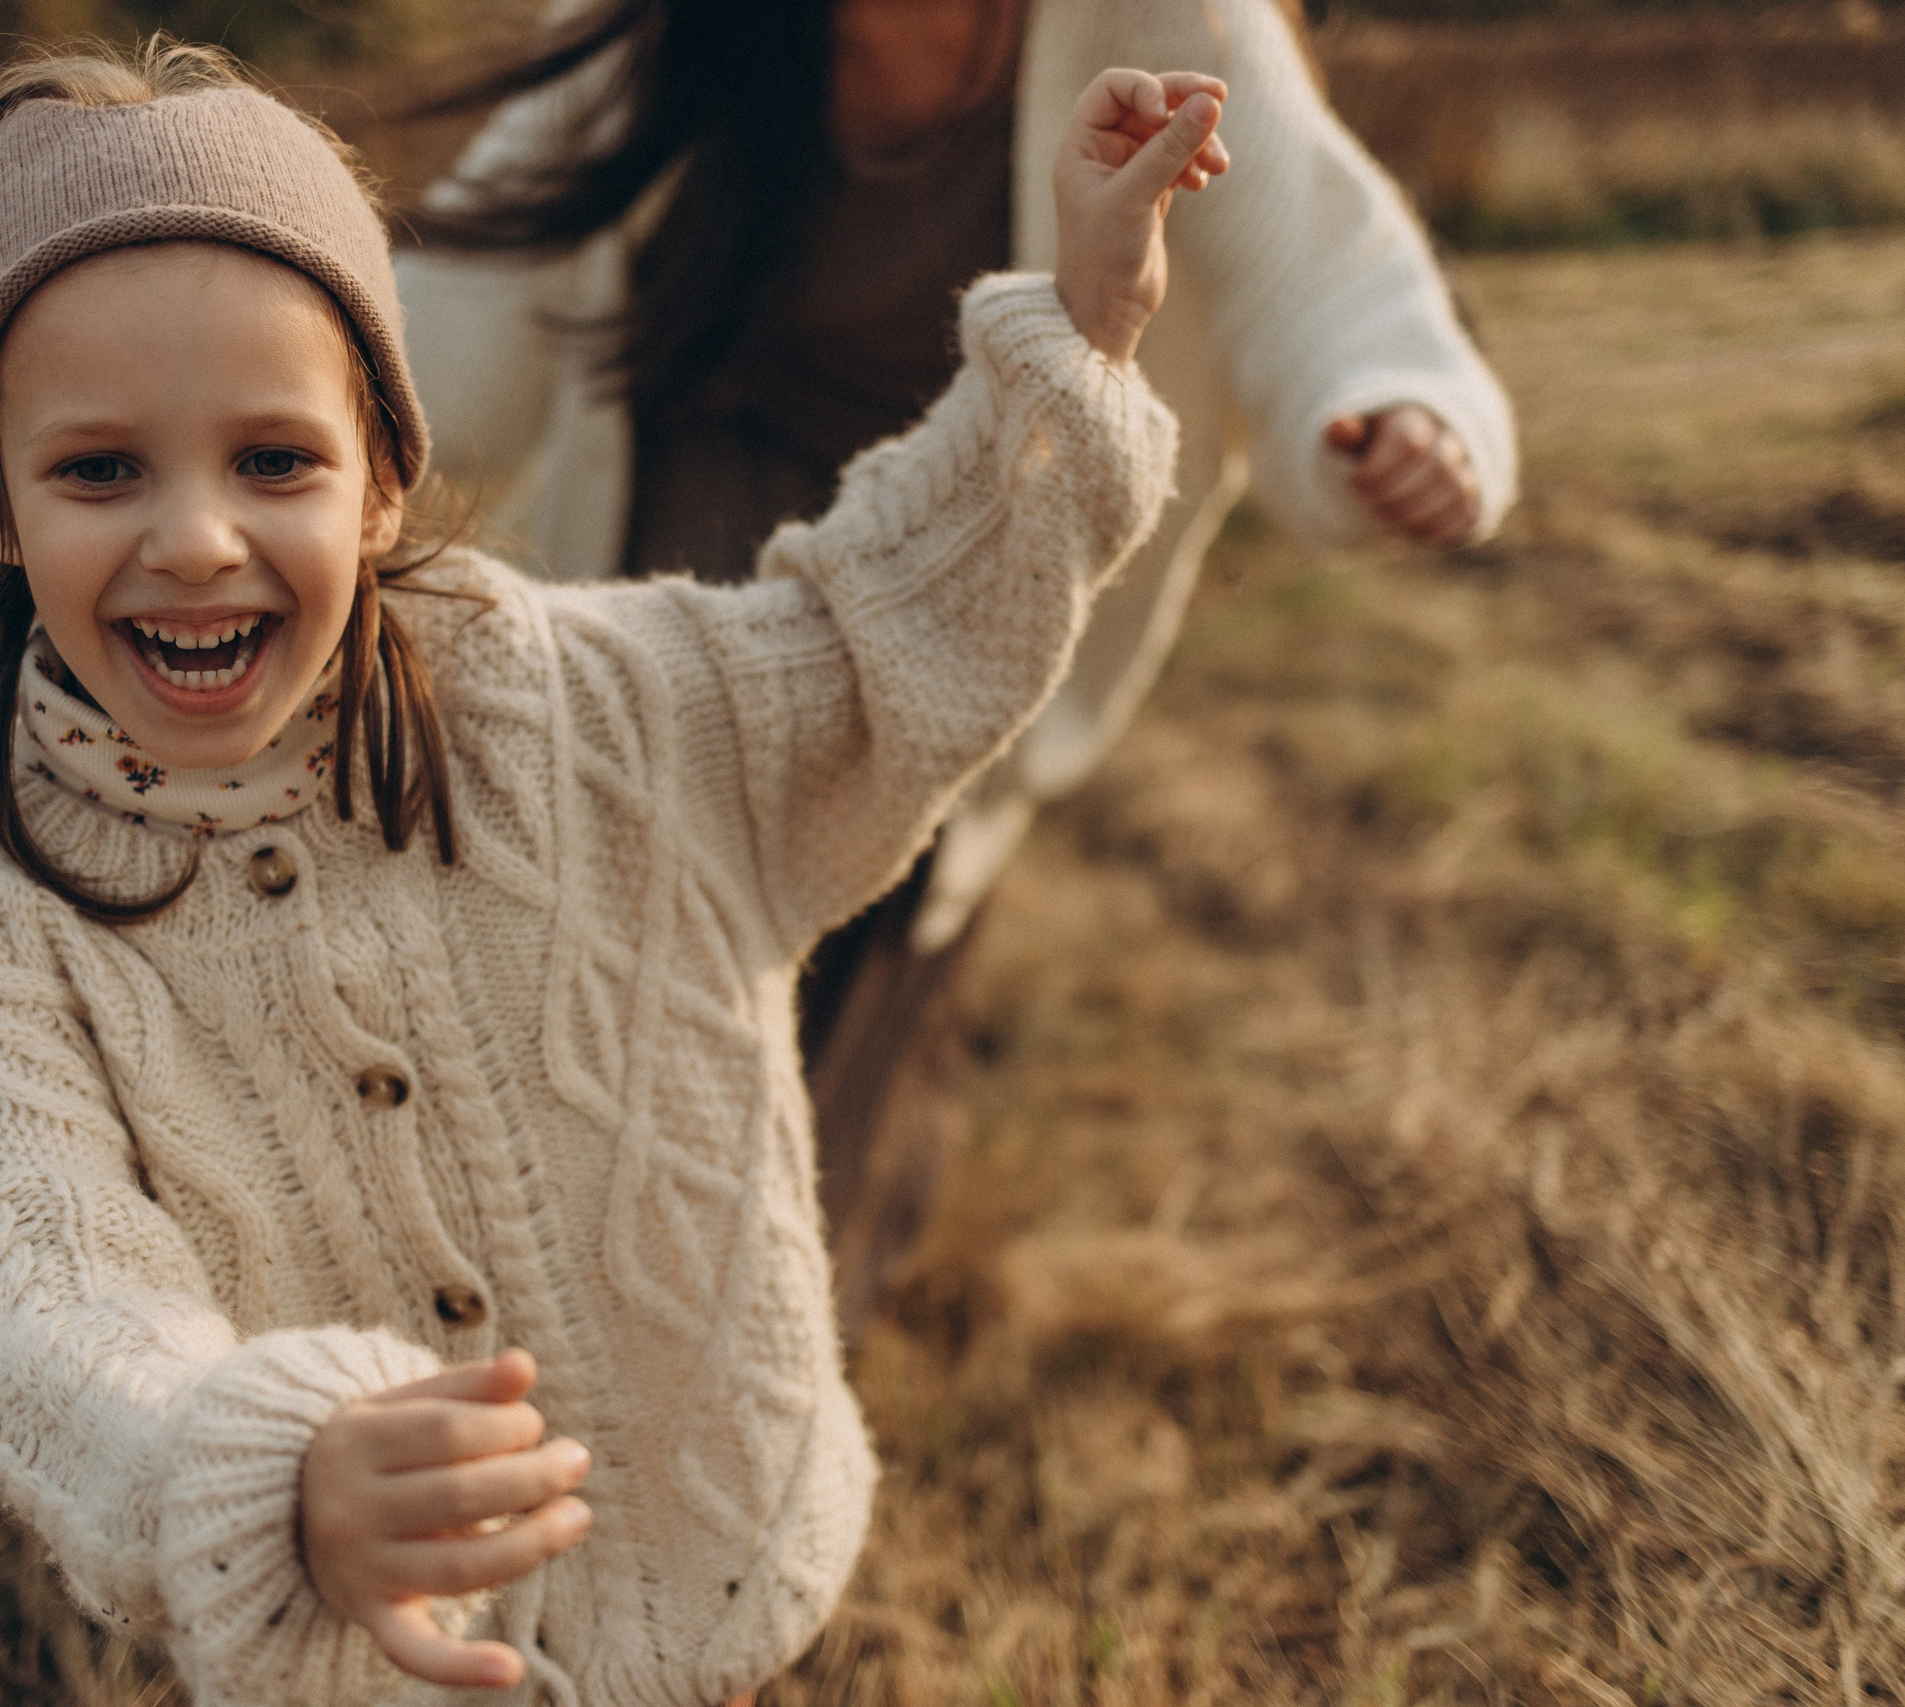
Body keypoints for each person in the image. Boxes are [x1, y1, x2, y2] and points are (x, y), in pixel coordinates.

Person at [0, 36, 1225, 1706]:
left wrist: (1078, 329)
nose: (195, 537)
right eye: (99, 468)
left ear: (382, 478)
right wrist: (261, 1469)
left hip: (726, 1589)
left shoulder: (590, 711)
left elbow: (871, 647)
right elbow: (38, 1298)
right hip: (381, 1669)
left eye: (274, 460)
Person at [394, 0, 1519, 1335]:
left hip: (912, 698)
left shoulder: (1173, 27)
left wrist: (1404, 412)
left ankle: (753, 1456)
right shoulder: (663, 32)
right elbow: (444, 324)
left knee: (784, 1179)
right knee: (563, 1120)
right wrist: (243, 412)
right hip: (652, 682)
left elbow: (1327, 278)